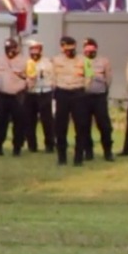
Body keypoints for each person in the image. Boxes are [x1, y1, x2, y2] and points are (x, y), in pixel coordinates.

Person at [51, 36, 90, 165]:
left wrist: (83, 88)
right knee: (60, 127)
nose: (69, 51)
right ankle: (61, 157)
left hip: (78, 93)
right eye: (66, 48)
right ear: (62, 48)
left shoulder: (84, 60)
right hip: (62, 93)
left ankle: (79, 157)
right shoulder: (56, 60)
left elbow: (89, 77)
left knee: (81, 126)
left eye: (71, 48)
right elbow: (52, 77)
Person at [0, 38, 29, 156]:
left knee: (19, 123)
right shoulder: (0, 59)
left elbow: (30, 78)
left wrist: (24, 89)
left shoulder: (24, 61)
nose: (10, 51)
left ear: (17, 48)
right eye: (7, 49)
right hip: (3, 95)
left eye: (12, 48)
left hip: (18, 96)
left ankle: (17, 147)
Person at [82, 37, 114, 161]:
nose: (89, 51)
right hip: (84, 97)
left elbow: (109, 78)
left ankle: (108, 151)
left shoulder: (103, 61)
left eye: (91, 48)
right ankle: (88, 152)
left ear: (96, 49)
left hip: (99, 96)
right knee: (84, 125)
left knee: (104, 125)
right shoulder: (81, 61)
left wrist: (104, 90)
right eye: (87, 49)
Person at [25, 40, 55, 153]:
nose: (34, 53)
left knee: (47, 120)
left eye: (36, 50)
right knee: (30, 120)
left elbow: (52, 77)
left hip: (44, 92)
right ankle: (32, 145)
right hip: (31, 93)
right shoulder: (27, 62)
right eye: (32, 51)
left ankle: (50, 144)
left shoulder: (47, 62)